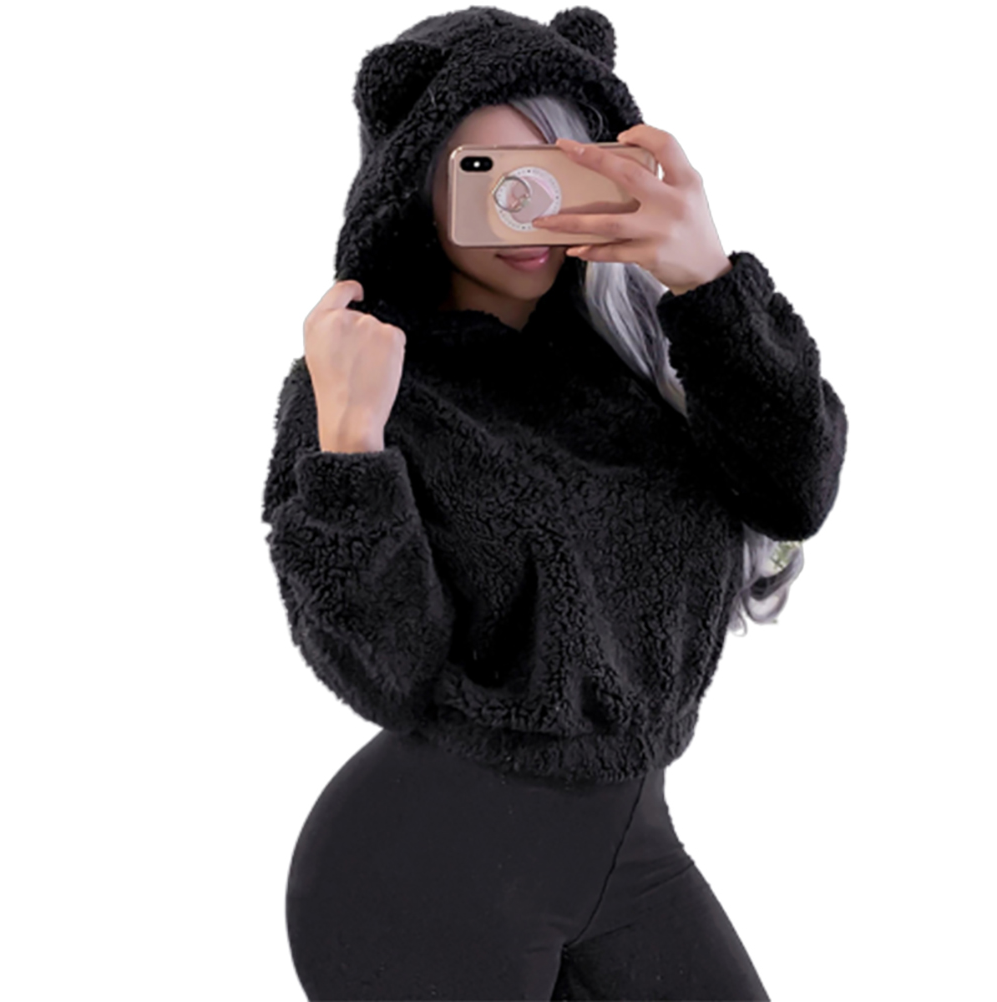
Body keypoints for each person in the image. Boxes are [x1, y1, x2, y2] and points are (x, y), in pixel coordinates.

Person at [261, 6, 849, 1000]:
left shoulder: (643, 360)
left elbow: (796, 490)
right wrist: (352, 442)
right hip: (417, 873)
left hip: (631, 856)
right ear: (412, 182)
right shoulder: (372, 377)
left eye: (556, 170)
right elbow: (385, 671)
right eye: (486, 176)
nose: (527, 208)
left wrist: (708, 282)